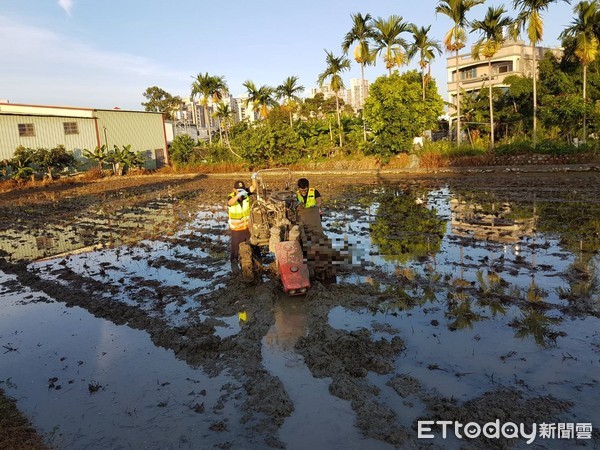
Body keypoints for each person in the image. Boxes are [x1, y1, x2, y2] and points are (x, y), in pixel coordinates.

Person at [227, 175, 257, 270]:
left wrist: (253, 177)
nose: (241, 192)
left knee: (254, 246)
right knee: (235, 252)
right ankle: (234, 268)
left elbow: (253, 187)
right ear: (234, 190)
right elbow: (230, 203)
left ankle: (256, 264)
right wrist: (237, 196)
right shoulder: (231, 197)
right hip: (236, 230)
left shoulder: (246, 194)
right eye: (238, 190)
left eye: (242, 190)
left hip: (247, 228)